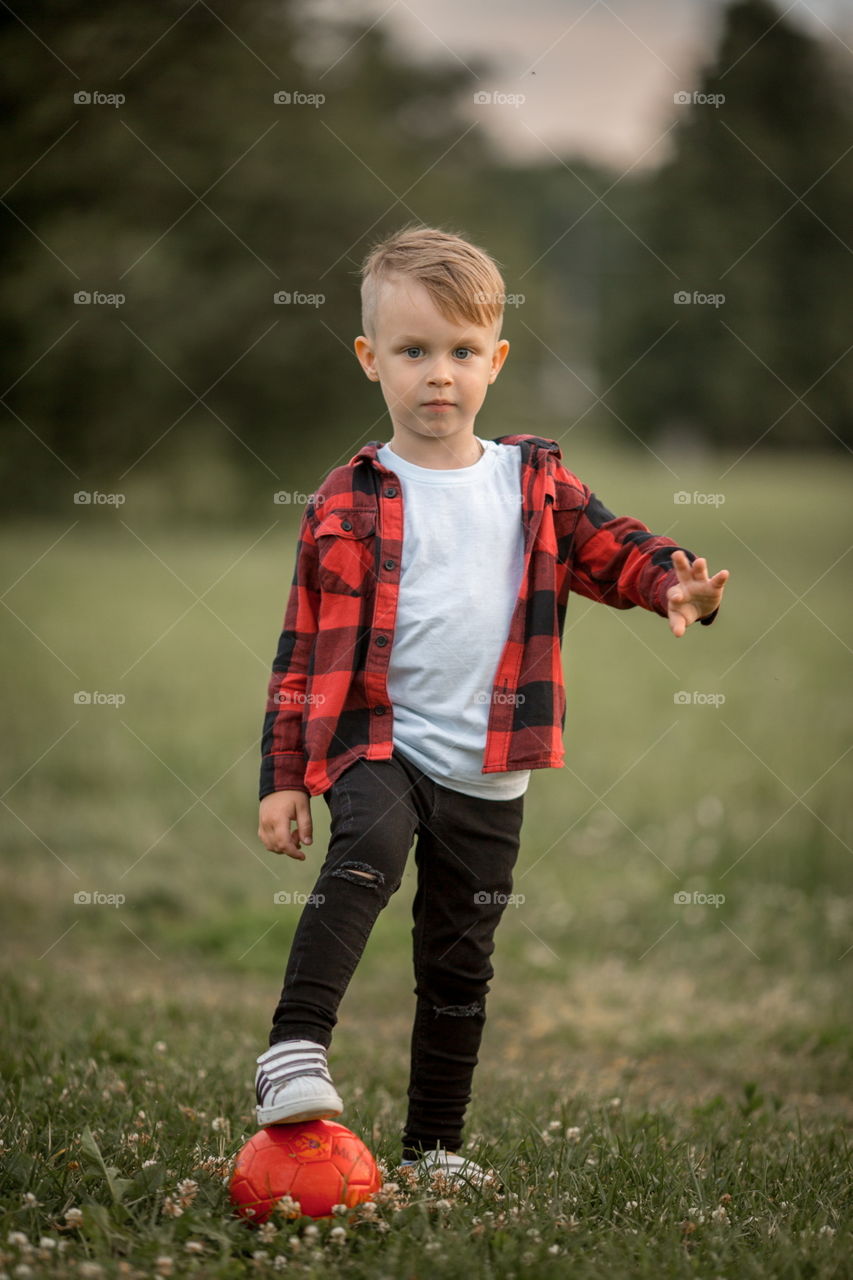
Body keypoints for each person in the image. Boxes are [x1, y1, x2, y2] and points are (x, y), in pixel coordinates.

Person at [254, 224, 729, 1183]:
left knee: (459, 962)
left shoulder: (532, 480)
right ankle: (292, 1052)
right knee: (367, 857)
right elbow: (299, 650)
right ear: (369, 360)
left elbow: (612, 545)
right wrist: (284, 779)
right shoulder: (346, 498)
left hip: (493, 765)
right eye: (413, 351)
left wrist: (669, 586)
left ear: (495, 360)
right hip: (377, 741)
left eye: (461, 352)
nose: (439, 374)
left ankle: (434, 1148)